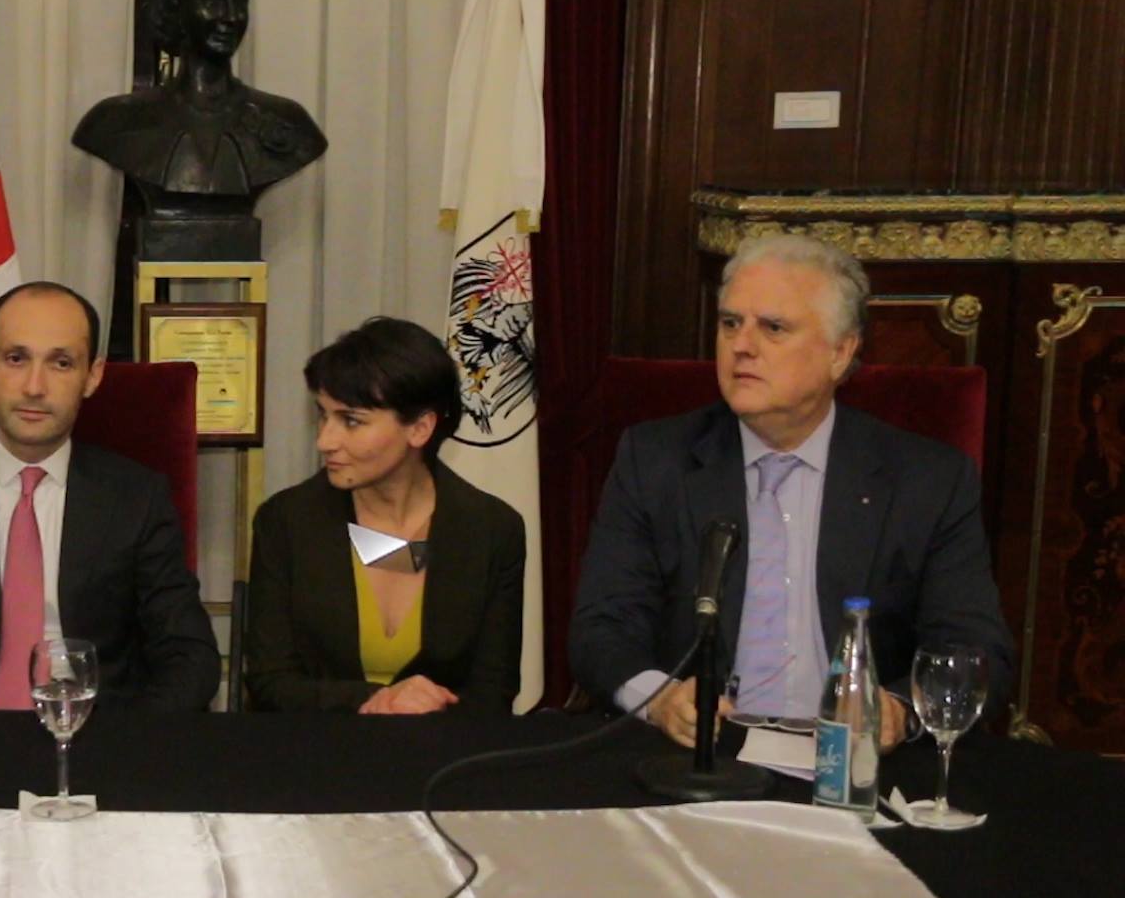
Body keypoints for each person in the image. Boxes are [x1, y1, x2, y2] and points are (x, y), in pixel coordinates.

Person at [570, 233, 1014, 749]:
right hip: (700, 757)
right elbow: (601, 629)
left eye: (773, 327)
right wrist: (662, 699)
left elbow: (975, 650)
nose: (741, 345)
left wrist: (898, 711)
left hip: (850, 763)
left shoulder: (926, 480)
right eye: (730, 323)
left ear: (840, 353)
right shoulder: (655, 461)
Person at [0, 281, 220, 710]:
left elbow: (189, 654)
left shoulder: (137, 498)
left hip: (96, 724)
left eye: (61, 363)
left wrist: (128, 738)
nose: (34, 386)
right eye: (16, 359)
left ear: (93, 376)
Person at [246, 318, 525, 713]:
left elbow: (493, 691)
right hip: (317, 745)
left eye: (351, 421)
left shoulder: (493, 530)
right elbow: (269, 681)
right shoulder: (285, 522)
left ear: (420, 429)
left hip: (445, 747)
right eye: (323, 415)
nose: (325, 440)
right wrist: (375, 701)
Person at [73, 0, 326, 207]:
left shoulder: (290, 120)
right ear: (175, 9)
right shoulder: (114, 121)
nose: (231, 16)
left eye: (240, 0)